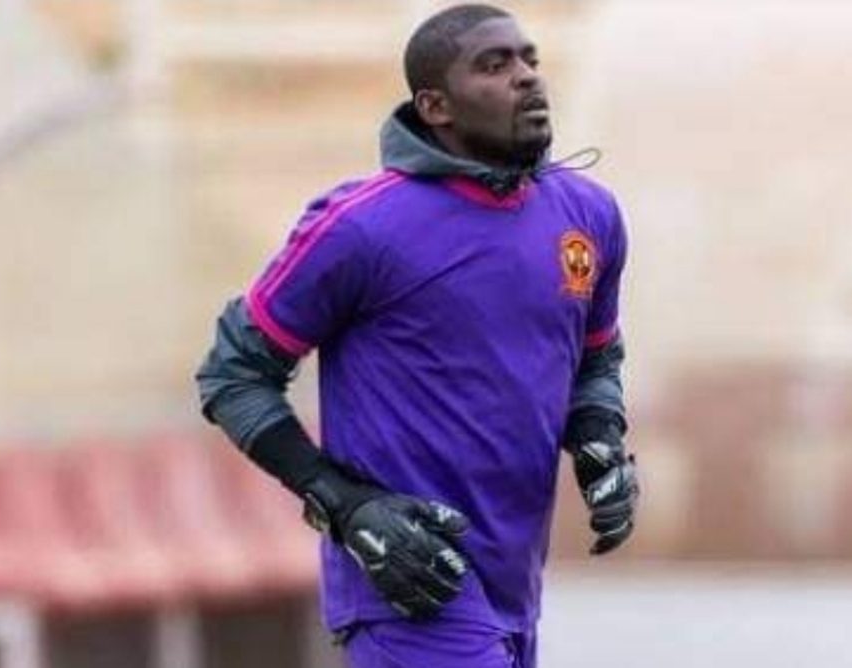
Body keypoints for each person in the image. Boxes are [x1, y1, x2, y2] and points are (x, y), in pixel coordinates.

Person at [195, 4, 638, 667]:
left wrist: (600, 436)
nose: (526, 78)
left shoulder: (589, 215)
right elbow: (232, 375)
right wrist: (346, 507)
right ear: (436, 106)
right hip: (408, 588)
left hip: (515, 584)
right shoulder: (361, 226)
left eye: (528, 59)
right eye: (494, 66)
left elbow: (596, 355)